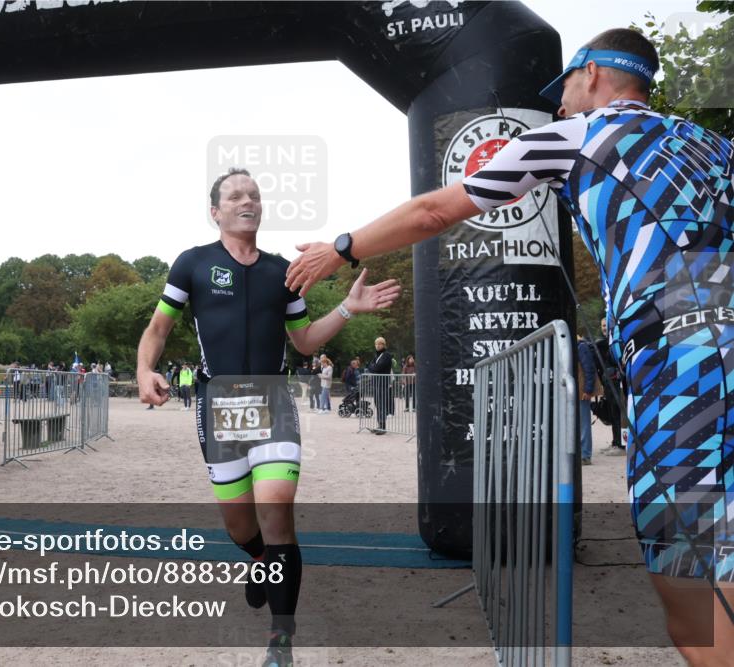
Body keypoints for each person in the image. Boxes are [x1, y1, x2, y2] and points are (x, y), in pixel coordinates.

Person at [286, 28, 733, 663]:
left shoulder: (576, 136)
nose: (558, 105)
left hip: (683, 359)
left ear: (596, 74)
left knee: (688, 574)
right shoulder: (715, 146)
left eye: (566, 88)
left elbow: (438, 211)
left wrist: (342, 248)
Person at [137, 168, 399, 666]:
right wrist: (144, 368)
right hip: (220, 407)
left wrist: (346, 307)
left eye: (254, 195)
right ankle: (261, 562)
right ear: (214, 212)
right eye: (235, 195)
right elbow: (157, 326)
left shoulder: (285, 271)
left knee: (276, 509)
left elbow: (302, 341)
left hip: (274, 401)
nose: (247, 201)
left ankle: (282, 640)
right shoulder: (191, 264)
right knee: (241, 527)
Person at [594, 318, 625, 456]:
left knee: (618, 413)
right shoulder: (603, 343)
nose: (604, 328)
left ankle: (620, 444)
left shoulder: (616, 341)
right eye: (603, 326)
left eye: (606, 325)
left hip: (616, 382)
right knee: (612, 412)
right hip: (608, 382)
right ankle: (615, 441)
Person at [577, 335, 601, 465]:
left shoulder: (581, 347)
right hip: (577, 390)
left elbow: (589, 369)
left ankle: (585, 455)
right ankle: (582, 453)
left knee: (584, 423)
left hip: (582, 390)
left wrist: (588, 389)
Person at [366, 337, 393, 435]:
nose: (377, 346)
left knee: (381, 404)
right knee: (378, 404)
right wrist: (372, 366)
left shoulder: (386, 355)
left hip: (382, 383)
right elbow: (369, 365)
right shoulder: (377, 355)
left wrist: (372, 366)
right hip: (376, 383)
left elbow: (376, 368)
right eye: (376, 344)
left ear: (384, 345)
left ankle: (383, 427)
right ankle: (379, 425)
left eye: (379, 344)